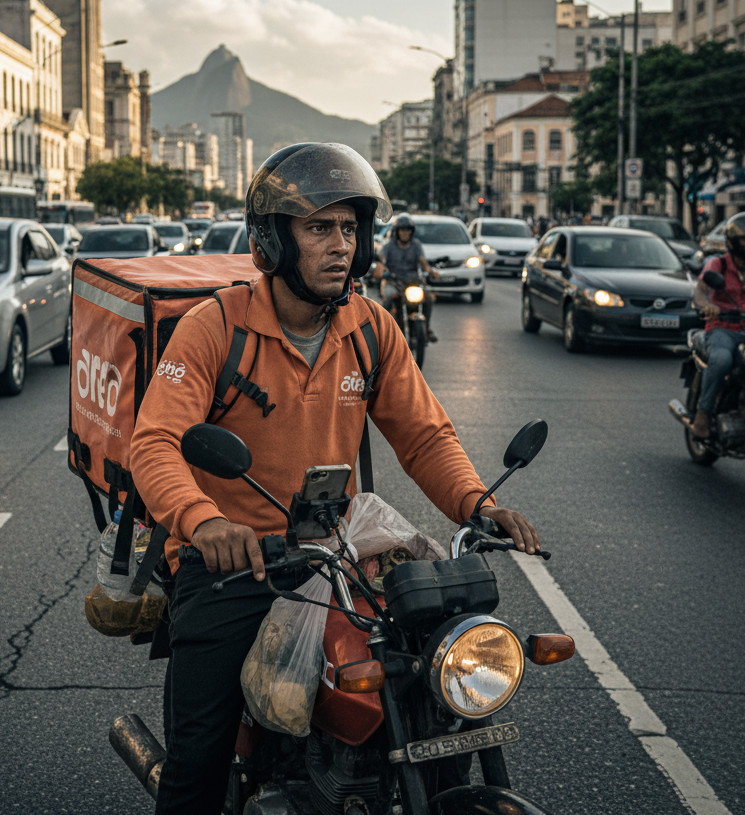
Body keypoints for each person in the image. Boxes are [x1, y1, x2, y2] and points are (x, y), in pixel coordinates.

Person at [129, 142, 541, 815]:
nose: (339, 245)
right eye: (319, 227)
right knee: (197, 755)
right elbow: (156, 444)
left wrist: (477, 503)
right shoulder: (215, 327)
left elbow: (424, 434)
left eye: (349, 229)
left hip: (338, 553)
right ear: (271, 238)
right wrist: (206, 523)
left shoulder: (370, 328)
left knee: (422, 672)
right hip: (235, 564)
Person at [689, 211, 745, 438]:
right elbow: (700, 293)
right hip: (722, 329)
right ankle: (703, 413)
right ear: (733, 243)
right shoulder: (718, 265)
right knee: (722, 360)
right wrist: (707, 306)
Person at [370, 212, 437, 342]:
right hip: (394, 282)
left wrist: (431, 271)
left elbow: (423, 262)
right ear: (397, 231)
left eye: (408, 230)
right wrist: (381, 269)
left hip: (413, 282)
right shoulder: (388, 247)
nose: (405, 233)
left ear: (412, 232)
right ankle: (383, 332)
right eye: (402, 230)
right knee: (388, 299)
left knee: (428, 299)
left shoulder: (416, 245)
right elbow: (381, 261)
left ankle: (426, 329)